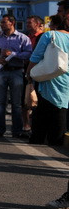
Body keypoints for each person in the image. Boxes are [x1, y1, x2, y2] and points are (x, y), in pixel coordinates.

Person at [27, 11, 69, 145]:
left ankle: (38, 139)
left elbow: (35, 57)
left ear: (55, 24)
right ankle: (56, 141)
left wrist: (29, 73)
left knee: (42, 112)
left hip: (47, 79)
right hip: (66, 82)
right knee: (61, 111)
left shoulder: (49, 35)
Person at [0, 14, 32, 138]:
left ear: (12, 23)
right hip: (1, 71)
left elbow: (28, 54)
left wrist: (13, 54)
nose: (1, 25)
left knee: (16, 103)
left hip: (16, 71)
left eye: (4, 22)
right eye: (1, 22)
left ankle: (17, 130)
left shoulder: (22, 38)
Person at [23, 15, 44, 134]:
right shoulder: (27, 37)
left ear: (37, 24)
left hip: (38, 72)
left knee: (36, 100)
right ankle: (26, 126)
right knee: (26, 100)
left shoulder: (42, 37)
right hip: (28, 71)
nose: (27, 25)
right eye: (26, 23)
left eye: (30, 23)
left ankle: (36, 127)